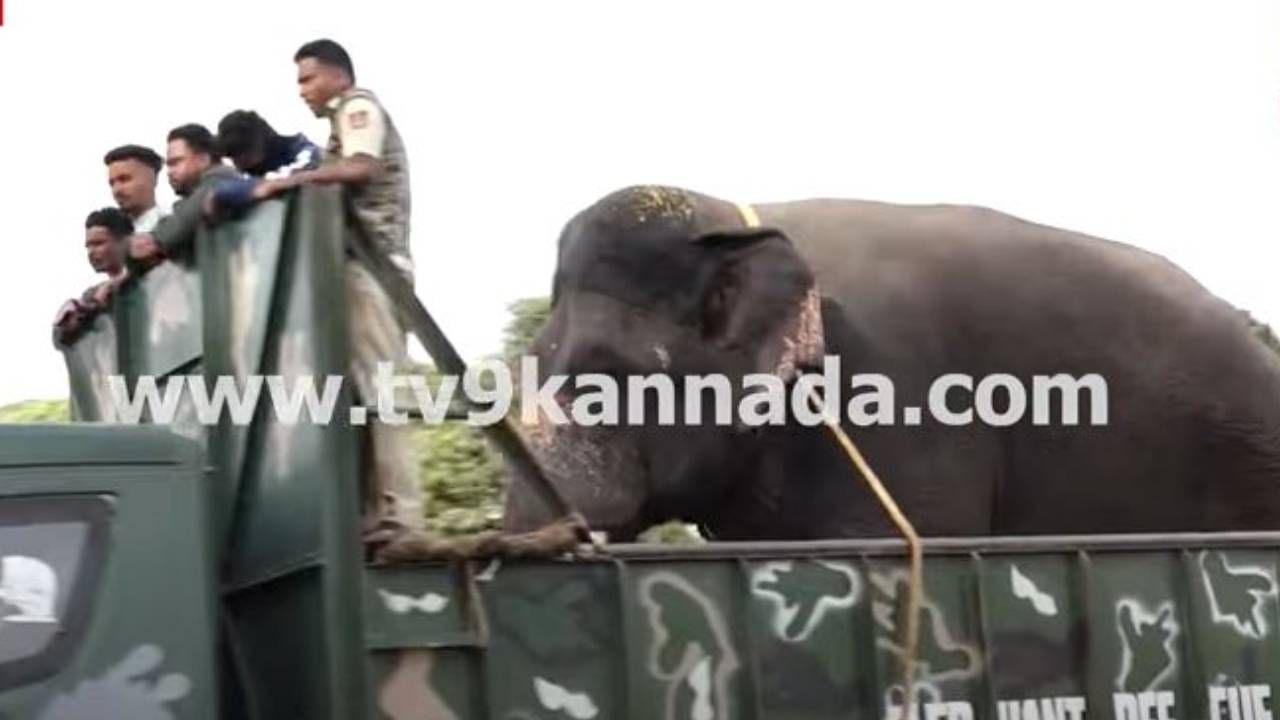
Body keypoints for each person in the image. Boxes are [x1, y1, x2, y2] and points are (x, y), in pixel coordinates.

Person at [257, 38, 422, 544]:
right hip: (359, 271)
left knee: (382, 392)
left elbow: (361, 167)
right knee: (359, 398)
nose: (301, 90)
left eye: (308, 78)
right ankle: (374, 516)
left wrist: (291, 183)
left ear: (339, 76)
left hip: (375, 270)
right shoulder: (337, 125)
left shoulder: (357, 106)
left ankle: (400, 516)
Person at [128, 124, 238, 266]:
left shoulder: (221, 181)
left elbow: (182, 222)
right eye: (168, 165)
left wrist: (154, 240)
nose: (170, 172)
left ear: (203, 159)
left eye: (176, 162)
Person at [205, 109, 320, 217]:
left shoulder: (302, 151)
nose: (238, 163)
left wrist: (267, 185)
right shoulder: (246, 175)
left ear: (260, 142)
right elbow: (222, 191)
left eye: (242, 153)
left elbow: (303, 172)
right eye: (232, 156)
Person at [52, 208, 133, 347]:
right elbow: (60, 337)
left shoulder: (149, 277)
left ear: (125, 241)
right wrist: (93, 305)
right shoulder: (92, 295)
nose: (91, 252)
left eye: (98, 243)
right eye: (88, 246)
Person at [103, 145, 167, 232]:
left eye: (124, 179)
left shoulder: (177, 228)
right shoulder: (108, 233)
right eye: (112, 184)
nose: (116, 190)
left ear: (152, 179)